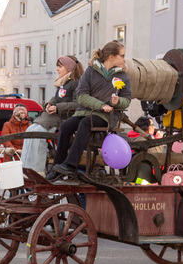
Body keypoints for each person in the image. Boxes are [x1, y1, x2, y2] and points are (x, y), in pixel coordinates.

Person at [49, 41, 132, 179]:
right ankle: (57, 168)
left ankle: (70, 165)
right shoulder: (91, 71)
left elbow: (127, 100)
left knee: (86, 123)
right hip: (86, 111)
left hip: (107, 116)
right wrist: (100, 105)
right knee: (66, 126)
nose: (124, 59)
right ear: (111, 57)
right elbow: (81, 96)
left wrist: (118, 102)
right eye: (122, 56)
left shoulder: (123, 76)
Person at [35, 56, 83, 131]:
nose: (57, 69)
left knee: (38, 132)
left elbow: (77, 104)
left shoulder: (76, 83)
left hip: (64, 118)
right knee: (30, 129)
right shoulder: (63, 82)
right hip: (55, 116)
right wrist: (50, 104)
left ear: (68, 67)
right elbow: (56, 98)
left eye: (60, 67)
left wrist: (57, 108)